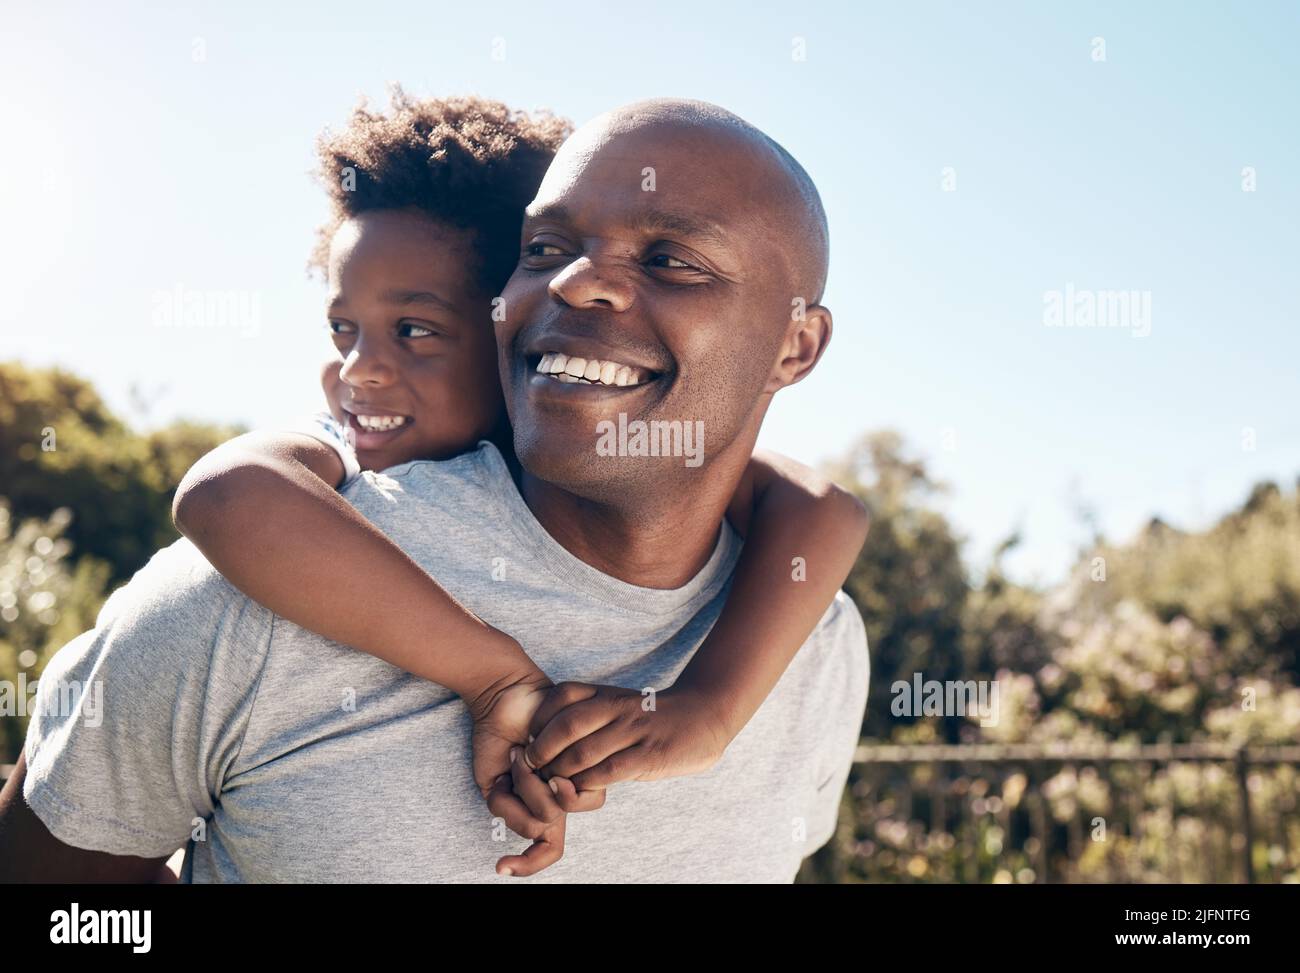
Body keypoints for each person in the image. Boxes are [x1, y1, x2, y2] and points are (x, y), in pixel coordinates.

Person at [0, 97, 870, 883]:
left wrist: (710, 711)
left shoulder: (814, 641)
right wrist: (494, 678)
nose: (576, 280)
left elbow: (823, 506)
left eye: (672, 258)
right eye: (547, 249)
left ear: (796, 347)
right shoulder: (257, 587)